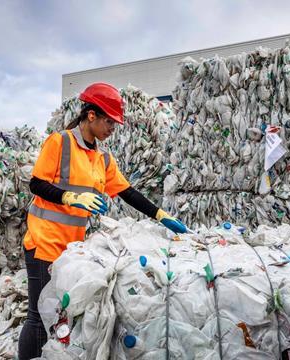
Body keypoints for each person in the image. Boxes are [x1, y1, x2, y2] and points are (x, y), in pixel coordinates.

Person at [17, 82, 187, 359]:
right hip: (43, 243)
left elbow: (126, 191)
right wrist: (69, 198)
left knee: (59, 313)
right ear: (91, 115)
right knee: (38, 316)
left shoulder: (103, 158)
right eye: (109, 121)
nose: (112, 128)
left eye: (115, 123)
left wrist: (160, 215)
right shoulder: (60, 142)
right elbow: (36, 184)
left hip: (71, 249)